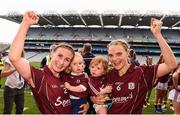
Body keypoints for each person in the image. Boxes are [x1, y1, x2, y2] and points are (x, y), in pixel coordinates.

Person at [8, 11, 88, 114]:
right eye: (59, 56)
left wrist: (86, 104)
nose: (61, 62)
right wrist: (25, 23)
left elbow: (80, 93)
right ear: (51, 54)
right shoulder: (39, 76)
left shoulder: (67, 76)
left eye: (67, 60)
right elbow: (14, 58)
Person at [92, 18, 177, 114]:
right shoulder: (107, 74)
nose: (114, 59)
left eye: (119, 54)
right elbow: (94, 93)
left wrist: (158, 34)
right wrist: (93, 99)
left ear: (127, 53)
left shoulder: (142, 72)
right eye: (111, 55)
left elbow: (172, 64)